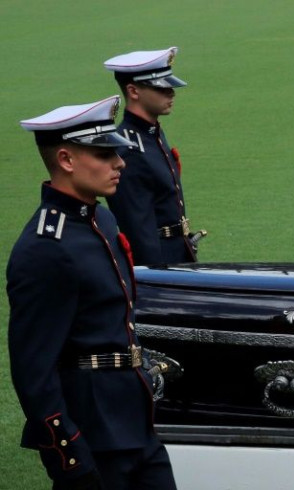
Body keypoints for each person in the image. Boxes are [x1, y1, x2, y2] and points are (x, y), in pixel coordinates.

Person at [8, 96, 178, 490]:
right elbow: (33, 369)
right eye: (104, 155)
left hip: (137, 425)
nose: (119, 163)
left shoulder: (101, 216)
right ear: (66, 160)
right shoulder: (44, 249)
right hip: (95, 438)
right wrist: (66, 454)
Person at [103, 47, 201, 266]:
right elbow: (137, 230)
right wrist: (158, 278)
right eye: (161, 89)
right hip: (159, 264)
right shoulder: (128, 150)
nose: (171, 93)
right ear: (134, 91)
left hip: (178, 253)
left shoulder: (151, 134)